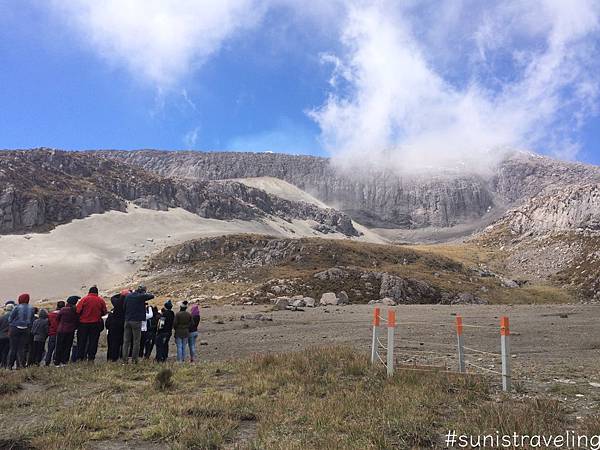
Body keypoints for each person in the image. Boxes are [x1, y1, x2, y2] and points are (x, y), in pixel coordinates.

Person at [122, 285, 154, 364]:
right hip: (136, 321)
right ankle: (134, 360)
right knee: (136, 341)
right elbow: (151, 296)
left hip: (127, 320)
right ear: (143, 291)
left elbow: (124, 307)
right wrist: (145, 293)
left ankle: (124, 360)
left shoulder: (128, 296)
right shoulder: (141, 296)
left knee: (126, 341)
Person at [76, 286, 107, 362]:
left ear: (89, 292)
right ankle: (91, 358)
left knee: (82, 341)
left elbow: (78, 311)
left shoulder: (84, 299)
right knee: (93, 341)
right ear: (97, 292)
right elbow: (104, 312)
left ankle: (81, 357)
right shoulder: (100, 300)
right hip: (95, 324)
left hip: (83, 324)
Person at [7, 294, 35, 369]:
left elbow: (10, 319)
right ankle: (21, 365)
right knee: (21, 348)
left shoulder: (17, 307)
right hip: (26, 329)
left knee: (13, 348)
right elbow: (32, 320)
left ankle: (9, 366)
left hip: (15, 328)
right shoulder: (31, 308)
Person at [54, 296, 79, 366]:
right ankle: (64, 361)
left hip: (61, 330)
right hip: (70, 331)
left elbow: (57, 318)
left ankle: (57, 361)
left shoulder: (63, 309)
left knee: (59, 346)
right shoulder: (75, 310)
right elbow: (77, 321)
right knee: (67, 347)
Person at [106, 290, 128, 362]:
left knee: (114, 342)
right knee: (124, 342)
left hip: (115, 325)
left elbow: (112, 297)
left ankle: (112, 358)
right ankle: (122, 357)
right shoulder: (128, 303)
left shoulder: (116, 302)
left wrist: (120, 294)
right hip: (124, 323)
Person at [44, 301, 64, 366]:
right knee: (58, 348)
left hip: (52, 333)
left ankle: (47, 361)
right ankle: (56, 361)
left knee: (50, 349)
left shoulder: (50, 314)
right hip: (60, 333)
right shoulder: (63, 315)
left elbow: (48, 324)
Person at [0, 303, 15, 368]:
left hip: (1, 337)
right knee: (7, 351)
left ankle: (2, 364)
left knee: (1, 351)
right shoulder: (14, 318)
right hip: (9, 337)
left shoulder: (2, 317)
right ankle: (6, 365)